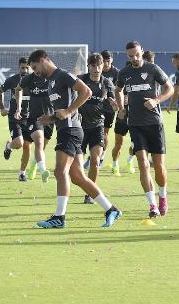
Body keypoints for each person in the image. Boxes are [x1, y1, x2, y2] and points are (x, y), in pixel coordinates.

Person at [28, 49, 121, 229]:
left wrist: (69, 111)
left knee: (60, 172)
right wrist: (51, 118)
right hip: (68, 129)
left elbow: (85, 91)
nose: (34, 71)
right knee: (77, 176)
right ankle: (111, 209)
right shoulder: (50, 82)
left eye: (34, 67)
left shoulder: (62, 75)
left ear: (42, 60)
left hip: (71, 130)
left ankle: (59, 217)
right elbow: (62, 110)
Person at [115, 41, 173, 218]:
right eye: (131, 56)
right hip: (135, 124)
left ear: (142, 52)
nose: (134, 58)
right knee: (142, 164)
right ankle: (152, 204)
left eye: (137, 55)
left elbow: (169, 88)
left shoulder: (153, 69)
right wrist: (121, 108)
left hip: (155, 123)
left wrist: (156, 100)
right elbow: (118, 90)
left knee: (159, 166)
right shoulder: (124, 72)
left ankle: (162, 196)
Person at [78, 53, 118, 204]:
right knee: (76, 166)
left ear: (103, 66)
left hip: (97, 126)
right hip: (79, 127)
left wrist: (114, 106)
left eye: (99, 65)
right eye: (93, 65)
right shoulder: (81, 80)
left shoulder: (107, 83)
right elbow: (70, 97)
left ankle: (90, 194)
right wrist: (74, 112)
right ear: (88, 66)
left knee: (95, 161)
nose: (96, 69)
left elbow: (112, 101)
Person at [15, 70, 53, 182]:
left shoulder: (51, 76)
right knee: (39, 141)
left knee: (42, 146)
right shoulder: (28, 78)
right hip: (35, 118)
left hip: (51, 118)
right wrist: (18, 108)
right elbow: (18, 89)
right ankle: (43, 170)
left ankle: (34, 164)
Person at [0, 57, 32, 181]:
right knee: (19, 144)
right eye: (22, 67)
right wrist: (2, 108)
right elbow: (0, 90)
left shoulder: (34, 80)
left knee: (27, 146)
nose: (25, 70)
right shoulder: (12, 80)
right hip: (15, 117)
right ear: (19, 67)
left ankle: (22, 173)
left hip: (29, 118)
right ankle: (9, 146)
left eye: (27, 67)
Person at [97, 50, 119, 169]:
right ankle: (93, 155)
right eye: (103, 61)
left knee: (105, 132)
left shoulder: (116, 73)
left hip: (109, 108)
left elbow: (119, 90)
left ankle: (101, 157)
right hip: (96, 106)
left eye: (108, 60)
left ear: (112, 60)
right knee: (93, 130)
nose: (105, 63)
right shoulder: (96, 70)